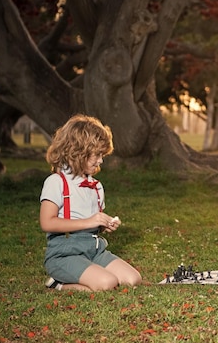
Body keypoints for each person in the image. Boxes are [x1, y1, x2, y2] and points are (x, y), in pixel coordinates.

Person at [39, 114, 142, 291]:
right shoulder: (57, 182)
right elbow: (47, 222)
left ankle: (90, 274)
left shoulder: (96, 186)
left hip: (94, 251)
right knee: (107, 283)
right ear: (77, 152)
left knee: (133, 279)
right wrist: (90, 221)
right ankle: (58, 284)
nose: (101, 161)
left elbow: (93, 224)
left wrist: (103, 225)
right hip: (64, 254)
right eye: (97, 155)